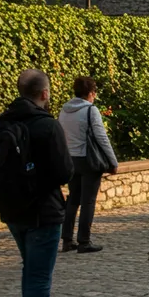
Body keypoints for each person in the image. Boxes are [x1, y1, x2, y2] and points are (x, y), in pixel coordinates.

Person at [0, 69, 73, 297]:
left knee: (31, 271)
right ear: (44, 94)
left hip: (13, 210)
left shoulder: (2, 122)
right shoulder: (47, 126)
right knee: (38, 278)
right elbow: (65, 171)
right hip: (44, 210)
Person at [58, 76, 119, 254]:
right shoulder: (90, 110)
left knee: (72, 200)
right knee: (88, 201)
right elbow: (101, 137)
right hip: (88, 160)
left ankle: (67, 240)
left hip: (71, 159)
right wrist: (112, 162)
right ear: (91, 93)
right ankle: (84, 241)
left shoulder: (64, 110)